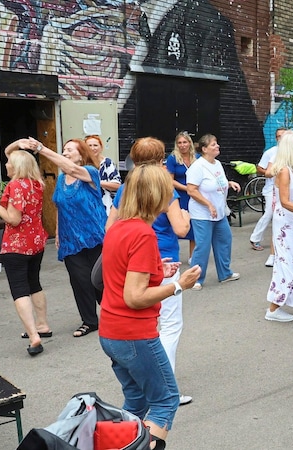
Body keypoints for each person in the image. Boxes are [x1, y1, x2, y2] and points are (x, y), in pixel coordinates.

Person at [99, 163, 201, 450]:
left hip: (111, 331)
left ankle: (115, 443)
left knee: (137, 400)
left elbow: (122, 274)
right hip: (133, 333)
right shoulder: (143, 234)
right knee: (166, 400)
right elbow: (134, 296)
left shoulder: (119, 227)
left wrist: (159, 269)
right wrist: (178, 285)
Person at [106, 137, 194, 405]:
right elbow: (181, 229)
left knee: (147, 323)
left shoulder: (126, 186)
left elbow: (110, 227)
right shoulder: (163, 186)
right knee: (169, 325)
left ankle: (147, 386)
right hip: (161, 257)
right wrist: (188, 218)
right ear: (161, 159)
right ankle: (164, 384)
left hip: (130, 260)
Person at [28, 137, 107, 337]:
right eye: (63, 150)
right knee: (79, 280)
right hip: (70, 239)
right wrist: (58, 233)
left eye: (70, 150)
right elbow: (59, 206)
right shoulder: (62, 179)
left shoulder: (89, 173)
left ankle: (113, 314)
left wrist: (41, 148)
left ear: (82, 154)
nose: (65, 152)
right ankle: (89, 321)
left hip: (94, 236)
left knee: (100, 280)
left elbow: (71, 169)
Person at [0, 148, 49, 356]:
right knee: (34, 283)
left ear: (17, 166)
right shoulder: (37, 184)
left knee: (20, 290)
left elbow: (13, 219)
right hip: (36, 243)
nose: (6, 164)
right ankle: (43, 325)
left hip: (17, 246)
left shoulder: (16, 186)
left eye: (9, 162)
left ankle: (33, 336)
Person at [264, 131, 293, 322]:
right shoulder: (284, 171)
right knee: (287, 263)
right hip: (285, 223)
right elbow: (284, 201)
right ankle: (273, 309)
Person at [186, 134, 241, 289]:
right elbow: (192, 190)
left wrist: (229, 183)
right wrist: (208, 204)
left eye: (217, 143)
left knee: (225, 240)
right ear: (204, 149)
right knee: (202, 246)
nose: (217, 146)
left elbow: (216, 182)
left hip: (219, 212)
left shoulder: (217, 164)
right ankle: (195, 279)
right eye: (213, 145)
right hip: (202, 214)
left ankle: (225, 273)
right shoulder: (197, 167)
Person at [250, 127, 286, 259]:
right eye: (279, 136)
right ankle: (255, 237)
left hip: (285, 188)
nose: (281, 138)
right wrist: (269, 173)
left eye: (284, 135)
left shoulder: (291, 152)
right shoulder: (271, 153)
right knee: (270, 213)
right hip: (271, 189)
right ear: (276, 139)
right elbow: (259, 167)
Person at [165, 131, 197, 259]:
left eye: (185, 142)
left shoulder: (197, 157)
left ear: (190, 143)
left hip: (195, 195)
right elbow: (170, 180)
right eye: (179, 143)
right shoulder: (173, 158)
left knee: (194, 226)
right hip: (180, 195)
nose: (182, 145)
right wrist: (186, 188)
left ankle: (192, 257)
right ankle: (172, 255)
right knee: (176, 225)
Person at [85, 134, 122, 215]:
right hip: (86, 206)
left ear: (101, 148)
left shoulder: (107, 163)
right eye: (89, 145)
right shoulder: (81, 164)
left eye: (95, 145)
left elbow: (117, 186)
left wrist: (97, 182)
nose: (92, 148)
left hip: (106, 206)